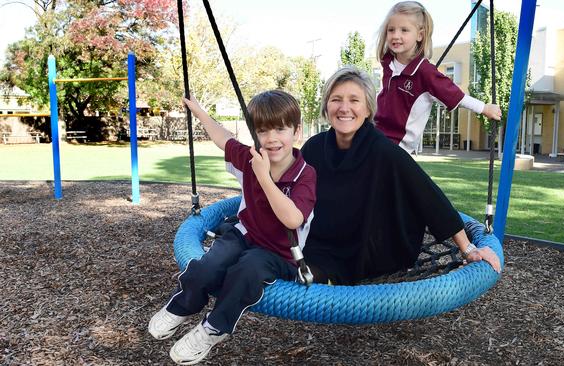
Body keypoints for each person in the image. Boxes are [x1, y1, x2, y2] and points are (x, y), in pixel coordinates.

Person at [148, 90, 316, 365]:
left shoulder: (305, 174)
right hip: (245, 233)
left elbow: (293, 220)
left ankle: (214, 328)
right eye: (262, 130)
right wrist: (199, 111)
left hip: (280, 252)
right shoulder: (250, 157)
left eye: (280, 128)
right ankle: (182, 305)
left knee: (245, 272)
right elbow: (222, 138)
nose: (272, 138)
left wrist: (263, 178)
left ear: (296, 132)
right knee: (207, 265)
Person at [301, 66, 501, 285]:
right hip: (333, 235)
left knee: (321, 264)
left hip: (379, 242)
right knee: (298, 251)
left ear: (368, 109)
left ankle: (323, 274)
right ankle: (314, 271)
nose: (344, 108)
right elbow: (290, 189)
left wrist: (468, 248)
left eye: (354, 100)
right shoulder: (313, 148)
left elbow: (429, 196)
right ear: (326, 106)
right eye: (336, 99)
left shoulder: (382, 150)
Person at [374, 1, 502, 153]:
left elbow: (456, 96)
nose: (396, 35)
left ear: (420, 35)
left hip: (397, 147)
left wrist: (484, 108)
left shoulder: (425, 72)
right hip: (376, 135)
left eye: (404, 30)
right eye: (391, 30)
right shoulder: (388, 63)